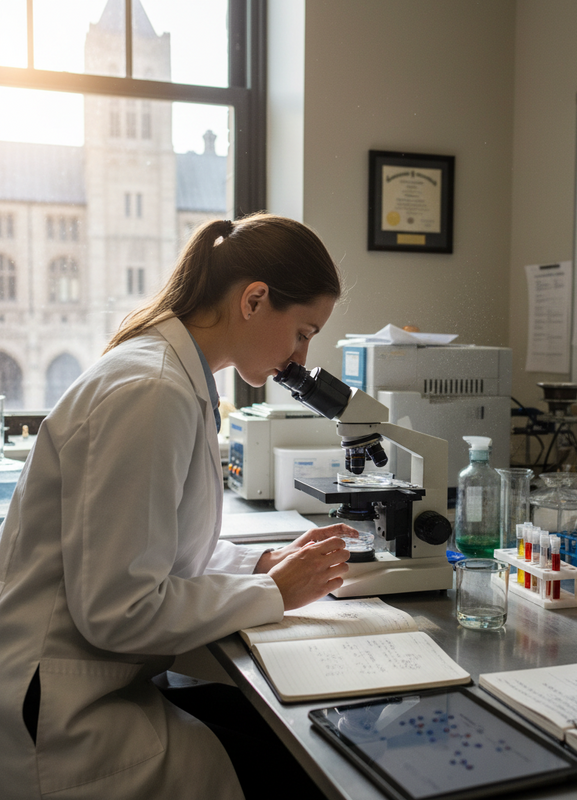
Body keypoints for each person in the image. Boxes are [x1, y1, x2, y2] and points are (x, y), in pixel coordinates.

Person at [0, 214, 354, 800]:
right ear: (255, 300)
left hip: (94, 684)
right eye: (302, 331)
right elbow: (119, 609)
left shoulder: (174, 378)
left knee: (274, 730)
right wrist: (276, 594)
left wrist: (260, 565)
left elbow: (157, 548)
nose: (301, 355)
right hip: (65, 718)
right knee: (302, 770)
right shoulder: (150, 390)